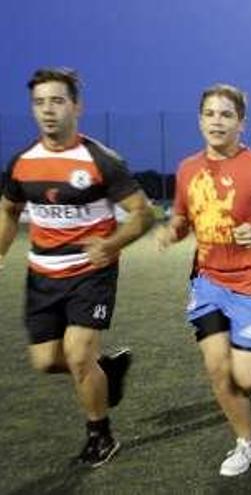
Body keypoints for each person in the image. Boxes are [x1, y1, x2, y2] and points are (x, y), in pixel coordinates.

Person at [0, 67, 153, 466]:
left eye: (57, 101)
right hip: (41, 276)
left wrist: (113, 243)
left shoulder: (101, 160)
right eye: (39, 103)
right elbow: (9, 210)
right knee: (47, 361)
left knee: (78, 354)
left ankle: (100, 436)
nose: (48, 110)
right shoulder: (22, 163)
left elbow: (143, 213)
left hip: (91, 272)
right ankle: (108, 371)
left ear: (76, 106)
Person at [157, 84, 251, 475]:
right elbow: (182, 216)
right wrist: (172, 230)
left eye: (226, 115)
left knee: (249, 375)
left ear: (240, 123)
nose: (217, 121)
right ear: (200, 119)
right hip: (208, 282)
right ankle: (249, 443)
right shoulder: (188, 168)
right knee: (218, 368)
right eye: (210, 113)